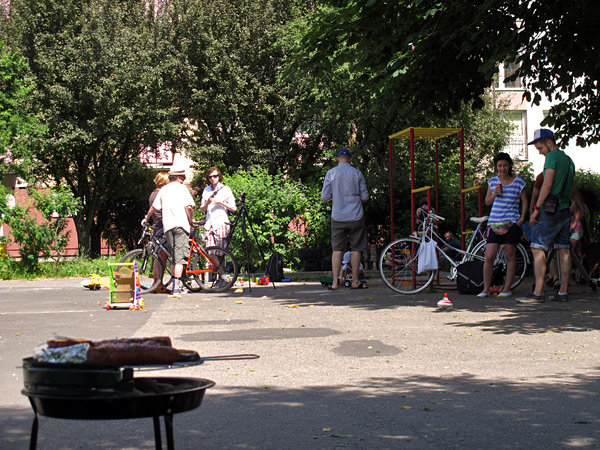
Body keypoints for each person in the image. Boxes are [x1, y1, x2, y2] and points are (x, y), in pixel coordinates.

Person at [517, 129, 575, 304]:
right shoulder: (569, 160)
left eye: (540, 147)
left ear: (549, 142)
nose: (540, 152)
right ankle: (563, 292)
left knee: (537, 247)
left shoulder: (552, 157)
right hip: (565, 209)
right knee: (563, 249)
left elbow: (547, 184)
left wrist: (536, 209)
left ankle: (538, 293)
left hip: (550, 211)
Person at [478, 152, 527, 298]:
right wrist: (494, 194)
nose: (503, 168)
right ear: (496, 167)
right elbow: (487, 202)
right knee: (489, 256)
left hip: (512, 222)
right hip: (494, 222)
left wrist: (522, 218)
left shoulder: (518, 181)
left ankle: (507, 288)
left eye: (505, 165)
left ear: (509, 166)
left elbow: (525, 200)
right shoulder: (492, 182)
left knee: (510, 255)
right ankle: (486, 289)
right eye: (500, 165)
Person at [142, 168, 195, 298]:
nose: (183, 180)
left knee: (172, 255)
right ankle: (176, 288)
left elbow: (154, 208)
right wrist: (191, 220)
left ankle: (175, 286)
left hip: (168, 227)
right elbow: (188, 207)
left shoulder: (164, 190)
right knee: (179, 257)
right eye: (182, 178)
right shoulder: (182, 189)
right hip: (181, 225)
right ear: (178, 178)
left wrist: (146, 218)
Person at [321, 149, 369, 290]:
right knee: (356, 249)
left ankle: (335, 282)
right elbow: (365, 197)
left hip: (338, 216)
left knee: (337, 249)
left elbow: (324, 196)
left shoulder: (331, 173)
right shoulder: (357, 173)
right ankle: (355, 281)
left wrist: (335, 196)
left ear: (338, 159)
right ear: (350, 160)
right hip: (356, 215)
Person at [200, 167, 237, 287]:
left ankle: (220, 279)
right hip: (209, 223)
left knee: (220, 253)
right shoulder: (206, 190)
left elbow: (234, 208)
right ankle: (223, 277)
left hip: (221, 222)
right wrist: (208, 202)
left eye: (215, 176)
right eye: (210, 177)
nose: (212, 179)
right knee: (210, 251)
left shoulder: (225, 189)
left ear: (219, 177)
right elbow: (202, 209)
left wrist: (221, 202)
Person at [145, 172, 169, 293]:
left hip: (156, 226)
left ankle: (157, 282)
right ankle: (158, 282)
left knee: (158, 255)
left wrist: (146, 218)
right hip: (162, 226)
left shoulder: (153, 194)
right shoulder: (161, 194)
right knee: (162, 256)